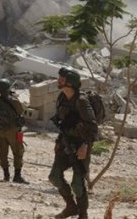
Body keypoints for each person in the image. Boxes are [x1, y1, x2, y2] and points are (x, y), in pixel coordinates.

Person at [49, 67, 98, 219]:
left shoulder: (82, 101)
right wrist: (58, 141)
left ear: (70, 82)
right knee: (54, 177)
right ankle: (71, 207)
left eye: (61, 79)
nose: (58, 81)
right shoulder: (62, 98)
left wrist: (84, 145)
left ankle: (83, 214)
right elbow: (62, 122)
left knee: (77, 183)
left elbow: (92, 127)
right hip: (65, 142)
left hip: (81, 144)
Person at [0, 79, 28, 184]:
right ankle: (17, 176)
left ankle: (6, 175)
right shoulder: (14, 101)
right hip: (13, 130)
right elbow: (21, 111)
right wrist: (14, 97)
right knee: (18, 152)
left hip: (1, 130)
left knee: (3, 153)